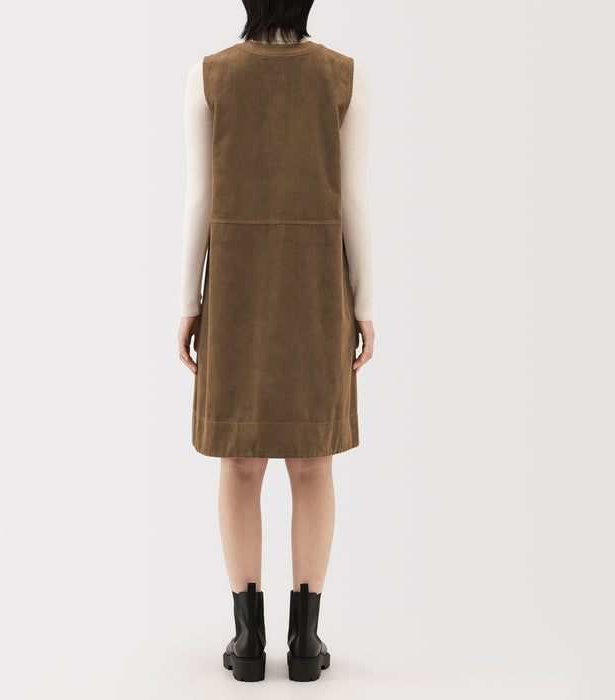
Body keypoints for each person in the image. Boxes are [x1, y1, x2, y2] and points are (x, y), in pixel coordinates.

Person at [177, 0, 374, 682]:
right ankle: (306, 642)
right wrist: (365, 303)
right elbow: (354, 199)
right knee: (313, 463)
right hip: (318, 285)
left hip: (235, 283)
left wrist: (188, 303)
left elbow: (199, 200)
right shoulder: (344, 76)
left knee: (239, 463)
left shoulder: (210, 75)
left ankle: (248, 641)